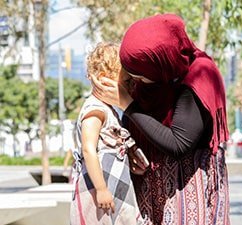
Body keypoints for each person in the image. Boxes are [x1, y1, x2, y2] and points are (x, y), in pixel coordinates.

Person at [91, 14, 230, 225]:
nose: (135, 81)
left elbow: (178, 143)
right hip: (150, 192)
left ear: (159, 62)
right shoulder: (154, 81)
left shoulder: (200, 76)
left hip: (188, 193)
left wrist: (128, 105)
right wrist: (131, 151)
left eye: (139, 74)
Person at [70, 43, 147, 225]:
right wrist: (101, 188)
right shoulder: (95, 110)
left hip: (115, 185)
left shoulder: (109, 110)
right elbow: (89, 150)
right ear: (104, 80)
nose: (131, 87)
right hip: (99, 190)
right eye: (127, 81)